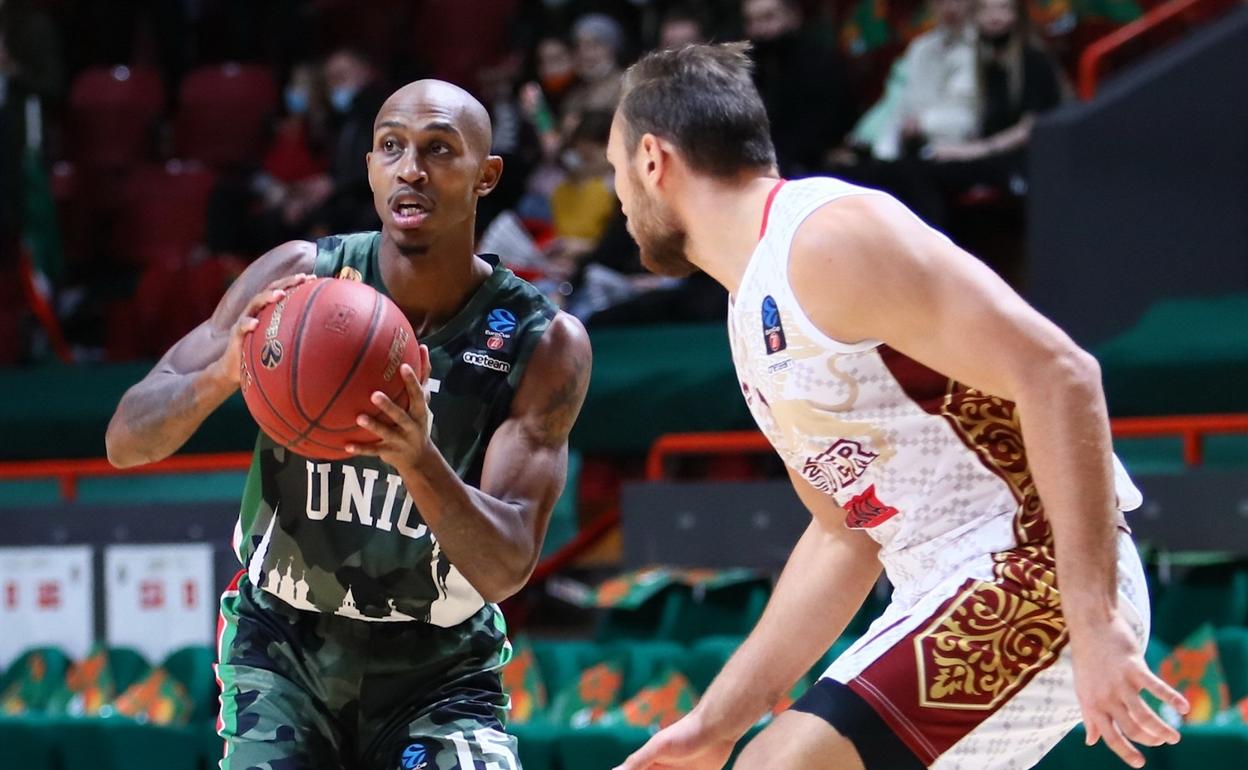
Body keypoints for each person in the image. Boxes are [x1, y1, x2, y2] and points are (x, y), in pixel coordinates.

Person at [607, 43, 1187, 770]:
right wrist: (716, 721)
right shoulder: (748, 311)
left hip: (1035, 571)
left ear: (653, 160)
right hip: (934, 592)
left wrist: (1094, 617)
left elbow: (1062, 375)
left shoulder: (828, 236)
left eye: (615, 169)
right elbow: (843, 536)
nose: (619, 198)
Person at [105, 79, 592, 769]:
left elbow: (507, 566)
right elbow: (125, 441)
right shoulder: (297, 281)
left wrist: (419, 458)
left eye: (439, 149)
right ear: (369, 167)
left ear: (486, 176)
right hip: (284, 649)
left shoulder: (540, 342)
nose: (411, 169)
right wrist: (225, 374)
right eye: (391, 147)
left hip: (439, 667)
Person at [742, 0, 854, 176]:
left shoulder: (821, 64)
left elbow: (824, 126)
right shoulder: (748, 68)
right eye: (751, 21)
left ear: (793, 17)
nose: (759, 29)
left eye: (768, 17)